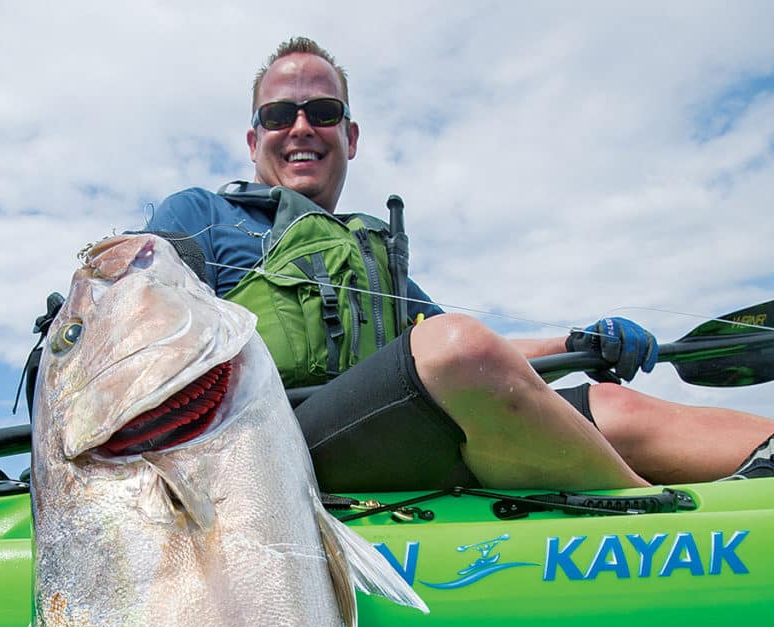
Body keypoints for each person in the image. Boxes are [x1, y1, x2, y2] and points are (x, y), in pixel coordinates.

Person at [146, 36, 774, 492]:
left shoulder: (371, 260)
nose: (302, 126)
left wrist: (581, 341)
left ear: (351, 136)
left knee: (618, 406)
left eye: (324, 112)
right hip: (274, 449)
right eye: (280, 115)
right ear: (255, 140)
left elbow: (477, 361)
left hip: (398, 431)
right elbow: (136, 328)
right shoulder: (199, 213)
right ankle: (655, 512)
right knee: (454, 348)